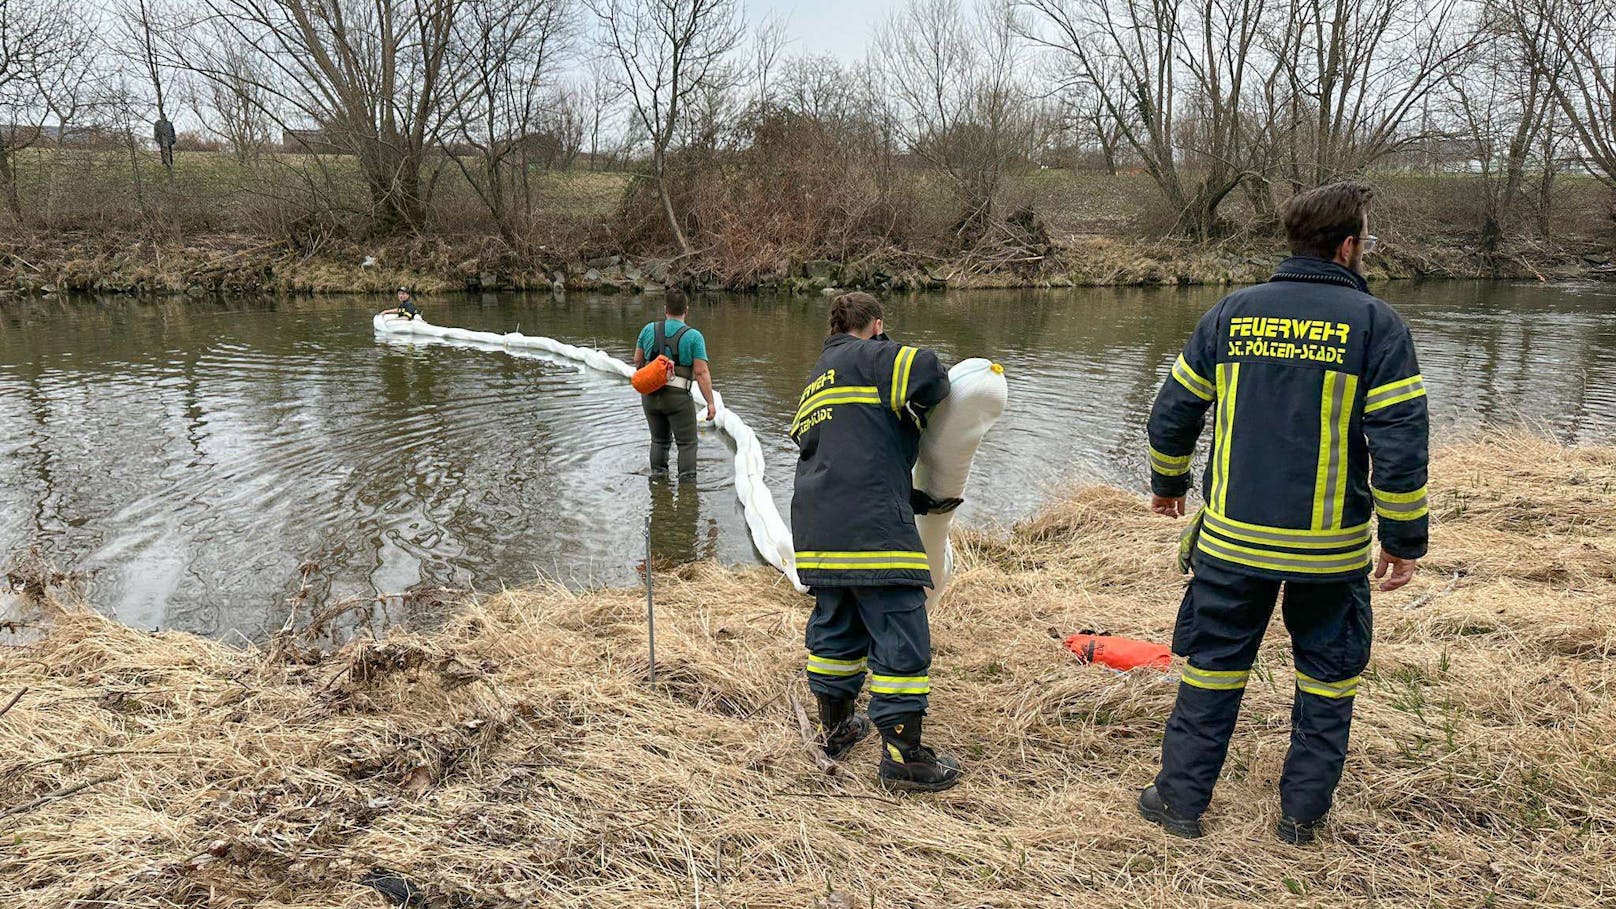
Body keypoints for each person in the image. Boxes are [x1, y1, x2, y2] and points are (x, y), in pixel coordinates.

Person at [1140, 180, 1429, 844]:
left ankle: (1178, 803)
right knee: (1326, 681)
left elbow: (1173, 411)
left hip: (1232, 545)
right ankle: (1301, 818)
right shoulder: (1377, 326)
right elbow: (1401, 442)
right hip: (1328, 554)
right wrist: (1403, 536)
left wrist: (1168, 483)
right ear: (1349, 246)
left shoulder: (1232, 313)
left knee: (1212, 669)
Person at [790, 292, 960, 792]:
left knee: (837, 625)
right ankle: (903, 756)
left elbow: (845, 453)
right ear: (877, 326)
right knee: (899, 631)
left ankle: (837, 727)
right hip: (872, 529)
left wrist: (910, 495)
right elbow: (931, 371)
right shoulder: (871, 356)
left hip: (819, 529)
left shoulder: (814, 381)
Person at [633, 288, 715, 479]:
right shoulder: (694, 337)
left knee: (659, 441)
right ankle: (687, 491)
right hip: (678, 399)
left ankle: (658, 485)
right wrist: (710, 403)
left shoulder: (648, 329)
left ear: (665, 309)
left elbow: (637, 360)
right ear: (686, 309)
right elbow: (701, 373)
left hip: (651, 397)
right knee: (686, 444)